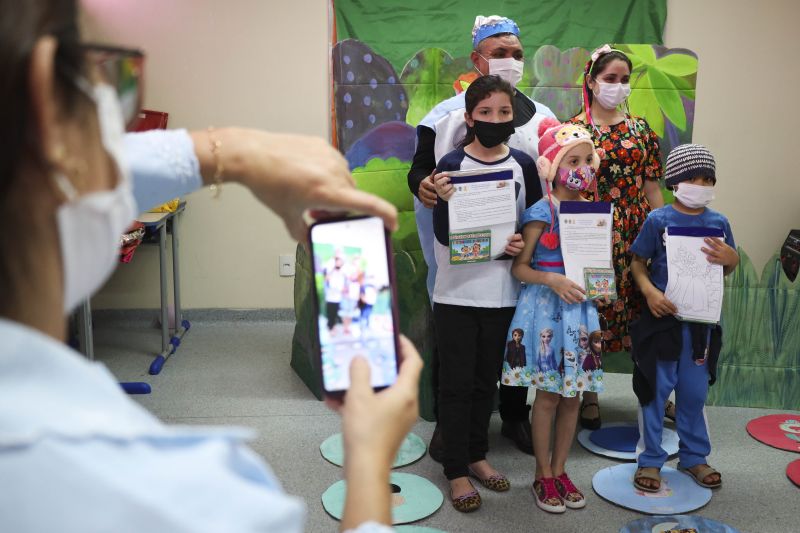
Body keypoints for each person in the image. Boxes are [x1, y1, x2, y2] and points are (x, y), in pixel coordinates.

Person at [0, 1, 422, 531]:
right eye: (111, 80)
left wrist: (229, 153)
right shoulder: (192, 502)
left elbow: (79, 167)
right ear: (47, 103)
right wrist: (368, 458)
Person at [408, 14, 555, 457]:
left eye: (516, 54)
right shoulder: (442, 118)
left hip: (518, 253)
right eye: (499, 53)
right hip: (459, 255)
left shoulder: (543, 118)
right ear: (477, 58)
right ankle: (446, 427)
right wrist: (424, 187)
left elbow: (545, 185)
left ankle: (513, 416)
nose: (510, 61)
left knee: (513, 339)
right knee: (454, 343)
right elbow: (418, 169)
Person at [430, 75, 540, 512]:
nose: (495, 120)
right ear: (470, 117)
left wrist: (519, 245)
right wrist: (445, 206)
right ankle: (455, 468)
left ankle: (477, 455)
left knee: (485, 383)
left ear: (514, 117)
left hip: (502, 295)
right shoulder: (451, 165)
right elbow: (443, 232)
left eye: (504, 113)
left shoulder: (524, 165)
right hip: (457, 294)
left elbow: (530, 221)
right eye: (485, 113)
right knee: (455, 384)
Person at [502, 118, 604, 514]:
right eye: (571, 160)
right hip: (546, 309)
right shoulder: (541, 211)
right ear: (553, 167)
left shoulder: (593, 212)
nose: (579, 168)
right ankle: (542, 473)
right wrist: (553, 279)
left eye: (586, 160)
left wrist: (600, 285)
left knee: (573, 395)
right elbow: (520, 268)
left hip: (580, 311)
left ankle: (561, 469)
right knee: (546, 396)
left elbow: (597, 265)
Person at [629, 143, 737, 493]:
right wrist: (650, 292)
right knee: (655, 393)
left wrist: (731, 258)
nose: (701, 184)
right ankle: (650, 461)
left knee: (693, 394)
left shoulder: (719, 222)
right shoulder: (658, 219)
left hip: (701, 328)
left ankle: (694, 457)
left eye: (707, 178)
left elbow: (728, 269)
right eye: (693, 177)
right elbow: (637, 263)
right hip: (662, 324)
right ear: (675, 181)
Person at [568, 44, 664, 429]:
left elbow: (652, 187)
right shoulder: (574, 130)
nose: (618, 86)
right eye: (610, 79)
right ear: (591, 82)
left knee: (641, 313)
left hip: (637, 232)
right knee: (593, 312)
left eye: (624, 80)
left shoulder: (642, 131)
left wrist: (663, 234)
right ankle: (589, 395)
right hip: (590, 232)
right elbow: (565, 187)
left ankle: (654, 393)